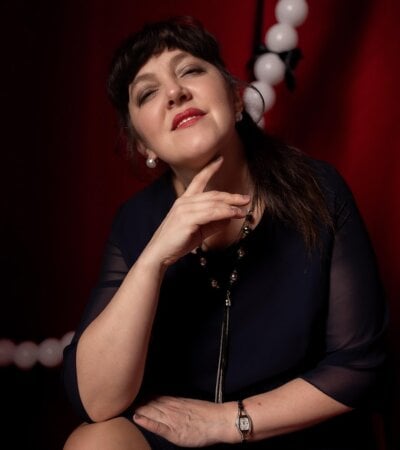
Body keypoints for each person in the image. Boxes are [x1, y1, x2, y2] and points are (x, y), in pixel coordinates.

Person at [62, 16, 388, 450]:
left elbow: (359, 364)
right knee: (96, 441)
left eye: (190, 70)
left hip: (292, 428)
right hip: (181, 434)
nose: (175, 93)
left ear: (236, 99)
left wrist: (226, 421)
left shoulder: (319, 190)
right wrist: (155, 256)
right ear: (143, 146)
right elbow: (96, 401)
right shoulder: (135, 221)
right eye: (148, 92)